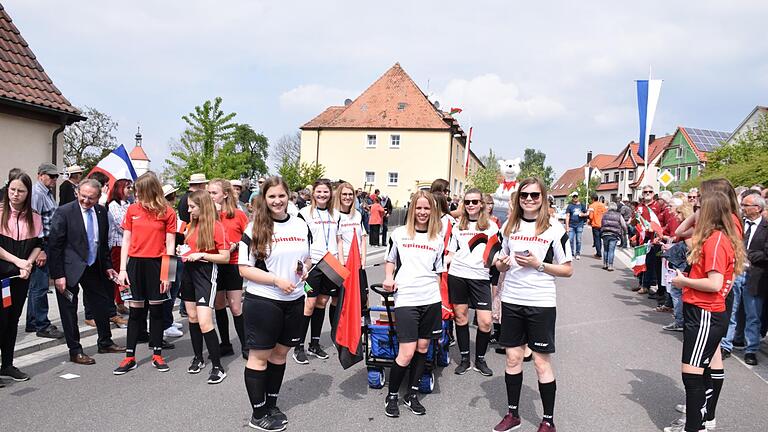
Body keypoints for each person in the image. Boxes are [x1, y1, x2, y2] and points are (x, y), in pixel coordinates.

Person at [492, 177, 573, 432]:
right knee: (513, 358)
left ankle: (548, 421)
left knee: (540, 362)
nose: (529, 200)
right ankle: (512, 414)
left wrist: (539, 264)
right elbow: (499, 259)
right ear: (518, 199)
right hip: (512, 300)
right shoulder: (510, 225)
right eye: (524, 195)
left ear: (543, 198)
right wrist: (500, 264)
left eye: (534, 196)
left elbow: (568, 270)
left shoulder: (554, 229)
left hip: (541, 303)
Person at [665, 191, 745, 432]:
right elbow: (681, 231)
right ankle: (698, 422)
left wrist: (684, 282)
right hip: (702, 311)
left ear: (710, 210)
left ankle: (696, 425)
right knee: (695, 373)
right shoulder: (713, 235)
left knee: (693, 376)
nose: (695, 209)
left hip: (705, 312)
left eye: (700, 206)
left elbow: (715, 283)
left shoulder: (716, 240)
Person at [239, 177, 311, 431]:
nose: (277, 201)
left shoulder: (301, 225)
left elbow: (307, 258)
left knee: (280, 354)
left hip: (294, 299)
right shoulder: (253, 229)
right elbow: (244, 269)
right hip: (264, 300)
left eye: (281, 196)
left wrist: (304, 269)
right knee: (260, 357)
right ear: (264, 199)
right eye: (272, 197)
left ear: (288, 196)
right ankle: (258, 414)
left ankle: (271, 403)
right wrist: (275, 280)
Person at [48, 178, 126, 365]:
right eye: (83, 196)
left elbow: (103, 244)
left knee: (101, 305)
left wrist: (107, 265)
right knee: (69, 312)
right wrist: (58, 275)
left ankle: (105, 342)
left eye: (91, 198)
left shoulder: (101, 212)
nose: (86, 201)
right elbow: (55, 246)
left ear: (98, 197)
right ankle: (75, 350)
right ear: (77, 193)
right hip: (69, 270)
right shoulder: (64, 212)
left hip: (93, 267)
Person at [382, 191, 444, 418]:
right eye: (419, 208)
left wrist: (441, 300)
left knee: (423, 348)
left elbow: (438, 271)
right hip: (406, 298)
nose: (422, 212)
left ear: (433, 211)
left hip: (430, 299)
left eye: (427, 208)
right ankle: (392, 396)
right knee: (406, 352)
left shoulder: (437, 238)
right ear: (412, 209)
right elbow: (390, 260)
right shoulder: (399, 234)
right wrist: (389, 278)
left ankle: (412, 394)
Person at [113, 172, 176, 375]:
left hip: (157, 265)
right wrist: (122, 269)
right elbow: (126, 241)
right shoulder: (132, 210)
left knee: (157, 311)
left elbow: (171, 245)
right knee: (136, 312)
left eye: (139, 190)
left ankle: (157, 354)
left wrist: (169, 274)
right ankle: (129, 357)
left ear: (149, 190)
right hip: (135, 265)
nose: (135, 194)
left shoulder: (167, 212)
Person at [179, 190, 230, 383]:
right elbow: (190, 247)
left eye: (192, 206)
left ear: (203, 206)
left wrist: (202, 255)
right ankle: (198, 357)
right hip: (188, 272)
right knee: (192, 317)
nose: (189, 210)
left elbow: (224, 257)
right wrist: (183, 250)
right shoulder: (192, 225)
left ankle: (217, 366)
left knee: (204, 321)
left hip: (205, 273)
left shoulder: (216, 227)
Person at [448, 188, 499, 377]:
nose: (471, 205)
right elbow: (451, 254)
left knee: (485, 322)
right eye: (467, 202)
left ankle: (480, 359)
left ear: (481, 204)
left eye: (474, 202)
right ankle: (464, 359)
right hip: (458, 275)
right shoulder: (457, 226)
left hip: (480, 277)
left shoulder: (491, 227)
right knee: (461, 318)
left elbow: (496, 255)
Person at [0, 172, 42, 382]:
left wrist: (28, 264)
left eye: (21, 191)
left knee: (12, 320)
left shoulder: (34, 216)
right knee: (1, 319)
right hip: (3, 278)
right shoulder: (0, 212)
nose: (15, 195)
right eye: (12, 190)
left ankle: (7, 364)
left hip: (21, 278)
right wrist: (19, 262)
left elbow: (38, 245)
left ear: (28, 193)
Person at [294, 179, 341, 364]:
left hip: (331, 263)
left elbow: (338, 240)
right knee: (309, 304)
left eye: (325, 192)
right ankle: (298, 346)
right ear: (313, 193)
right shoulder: (304, 213)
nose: (322, 195)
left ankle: (315, 344)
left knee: (322, 302)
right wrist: (300, 265)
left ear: (330, 194)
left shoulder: (336, 214)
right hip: (313, 263)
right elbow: (299, 240)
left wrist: (341, 263)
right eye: (319, 192)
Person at [720, 191, 766, 365]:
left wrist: (748, 254)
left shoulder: (766, 226)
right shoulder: (737, 224)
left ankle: (751, 349)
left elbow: (766, 253)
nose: (743, 208)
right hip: (736, 272)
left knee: (753, 314)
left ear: (757, 208)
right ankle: (727, 344)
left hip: (755, 275)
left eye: (746, 205)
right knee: (731, 310)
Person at [208, 179, 249, 359]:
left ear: (225, 194)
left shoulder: (238, 215)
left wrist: (236, 245)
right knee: (218, 305)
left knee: (235, 306)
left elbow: (249, 237)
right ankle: (225, 344)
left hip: (233, 264)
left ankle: (246, 345)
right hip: (215, 264)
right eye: (208, 193)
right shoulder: (208, 215)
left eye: (214, 193)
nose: (210, 197)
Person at [25, 163, 64, 339]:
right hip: (42, 243)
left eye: (56, 176)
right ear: (41, 175)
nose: (55, 179)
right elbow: (34, 223)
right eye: (51, 176)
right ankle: (42, 324)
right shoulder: (37, 194)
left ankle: (33, 322)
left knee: (37, 285)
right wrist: (40, 248)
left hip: (46, 243)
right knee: (40, 286)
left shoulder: (45, 193)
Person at [107, 179, 133, 317]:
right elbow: (121, 225)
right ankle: (116, 303)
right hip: (118, 244)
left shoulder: (129, 204)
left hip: (128, 244)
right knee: (118, 275)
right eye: (127, 187)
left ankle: (122, 301)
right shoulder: (113, 205)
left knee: (125, 276)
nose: (130, 190)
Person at [335, 182, 368, 267]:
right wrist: (342, 263)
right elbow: (339, 241)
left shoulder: (357, 214)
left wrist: (363, 259)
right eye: (344, 194)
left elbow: (363, 238)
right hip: (344, 260)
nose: (347, 197)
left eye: (350, 194)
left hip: (358, 259)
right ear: (339, 196)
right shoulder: (335, 215)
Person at [599, 202, 627, 271]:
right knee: (611, 250)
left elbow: (601, 223)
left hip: (605, 234)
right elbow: (623, 225)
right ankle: (610, 266)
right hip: (614, 235)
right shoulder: (619, 215)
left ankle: (605, 264)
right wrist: (625, 232)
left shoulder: (604, 215)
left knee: (606, 249)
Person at [564, 191, 587, 260]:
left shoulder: (582, 205)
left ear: (578, 197)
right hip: (571, 225)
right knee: (570, 239)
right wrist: (567, 227)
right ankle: (571, 253)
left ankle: (577, 253)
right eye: (574, 196)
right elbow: (567, 216)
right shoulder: (570, 206)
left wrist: (583, 214)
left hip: (579, 225)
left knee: (578, 240)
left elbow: (587, 213)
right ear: (572, 198)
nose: (575, 198)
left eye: (576, 196)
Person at [587, 193, 606, 258]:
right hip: (603, 224)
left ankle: (599, 253)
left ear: (592, 199)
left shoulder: (591, 206)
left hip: (595, 224)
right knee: (601, 239)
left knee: (597, 239)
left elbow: (591, 217)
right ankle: (601, 252)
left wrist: (589, 220)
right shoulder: (603, 205)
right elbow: (605, 214)